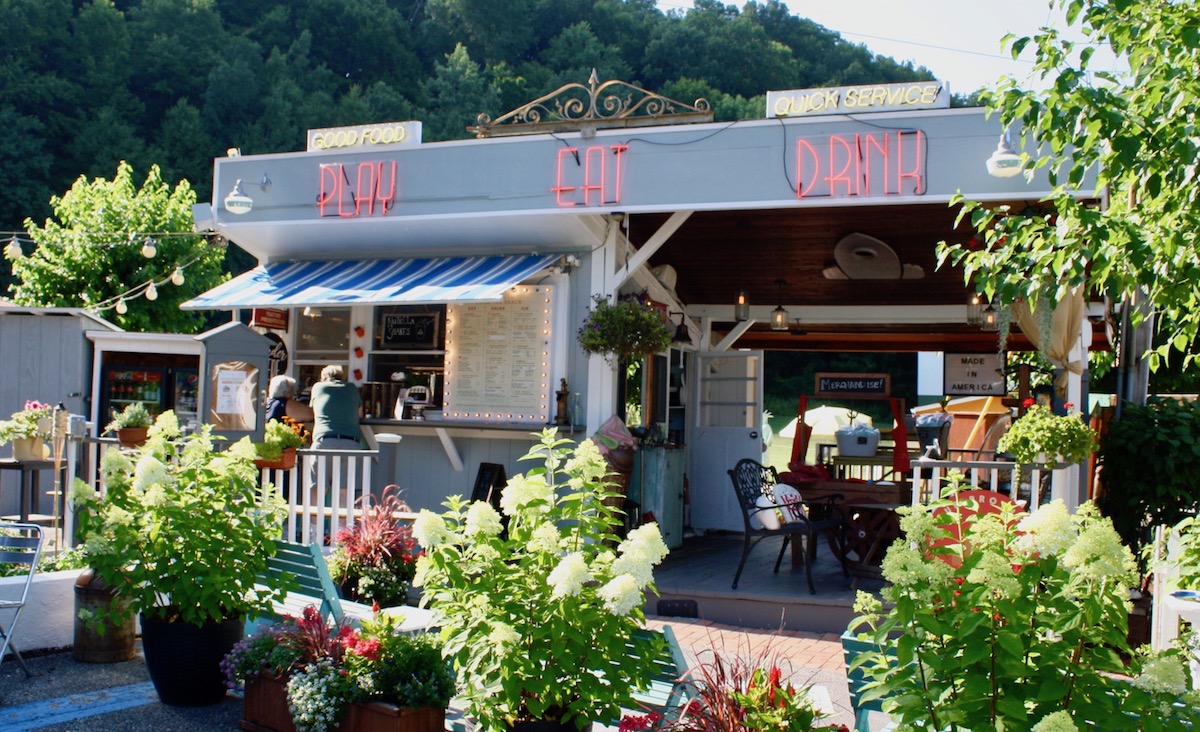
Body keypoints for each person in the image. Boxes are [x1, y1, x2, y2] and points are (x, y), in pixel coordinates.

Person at [309, 365, 363, 450]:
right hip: (350, 443)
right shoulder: (352, 388)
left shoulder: (318, 387)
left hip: (324, 441)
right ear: (342, 377)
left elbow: (313, 411)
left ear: (323, 378)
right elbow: (360, 414)